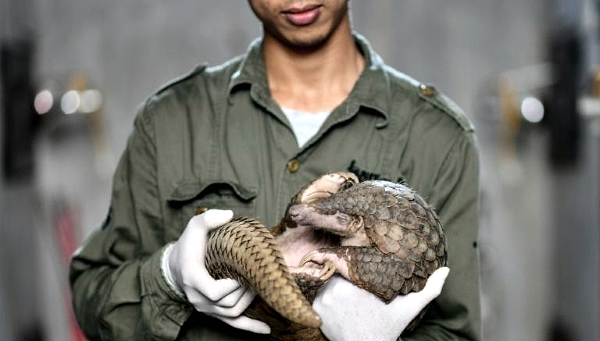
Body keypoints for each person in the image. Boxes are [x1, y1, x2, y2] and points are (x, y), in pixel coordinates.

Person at [69, 1, 482, 340]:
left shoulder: (439, 138)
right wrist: (168, 277)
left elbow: (454, 331)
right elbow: (92, 297)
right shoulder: (169, 122)